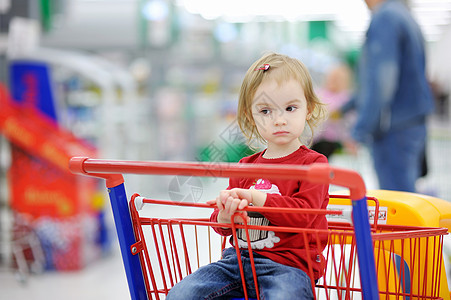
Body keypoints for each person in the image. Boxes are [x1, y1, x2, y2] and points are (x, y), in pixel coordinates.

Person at [167, 52, 329, 299]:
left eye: (290, 108)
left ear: (309, 109)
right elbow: (224, 228)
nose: (279, 119)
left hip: (288, 267)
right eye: (265, 111)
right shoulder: (244, 166)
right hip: (236, 263)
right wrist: (224, 214)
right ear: (250, 117)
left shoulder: (314, 164)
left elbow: (304, 216)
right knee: (182, 294)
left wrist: (256, 197)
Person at [342, 0, 434, 192]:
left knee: (397, 201)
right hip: (410, 123)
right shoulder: (403, 14)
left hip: (393, 128)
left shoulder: (385, 18)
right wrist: (347, 106)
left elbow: (382, 81)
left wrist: (360, 129)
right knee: (407, 195)